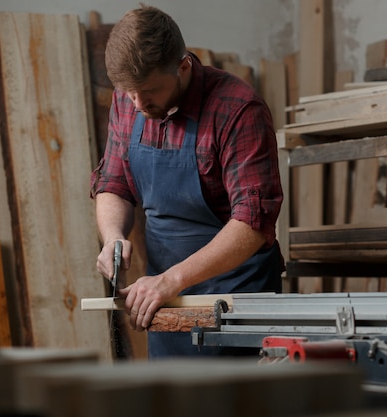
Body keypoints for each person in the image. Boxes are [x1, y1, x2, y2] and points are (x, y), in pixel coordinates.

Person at [90, 3, 284, 358]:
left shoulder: (237, 109)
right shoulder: (129, 99)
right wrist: (113, 237)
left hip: (236, 298)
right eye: (129, 93)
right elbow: (113, 183)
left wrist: (172, 280)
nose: (137, 104)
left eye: (148, 92)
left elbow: (253, 223)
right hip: (164, 300)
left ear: (182, 67)